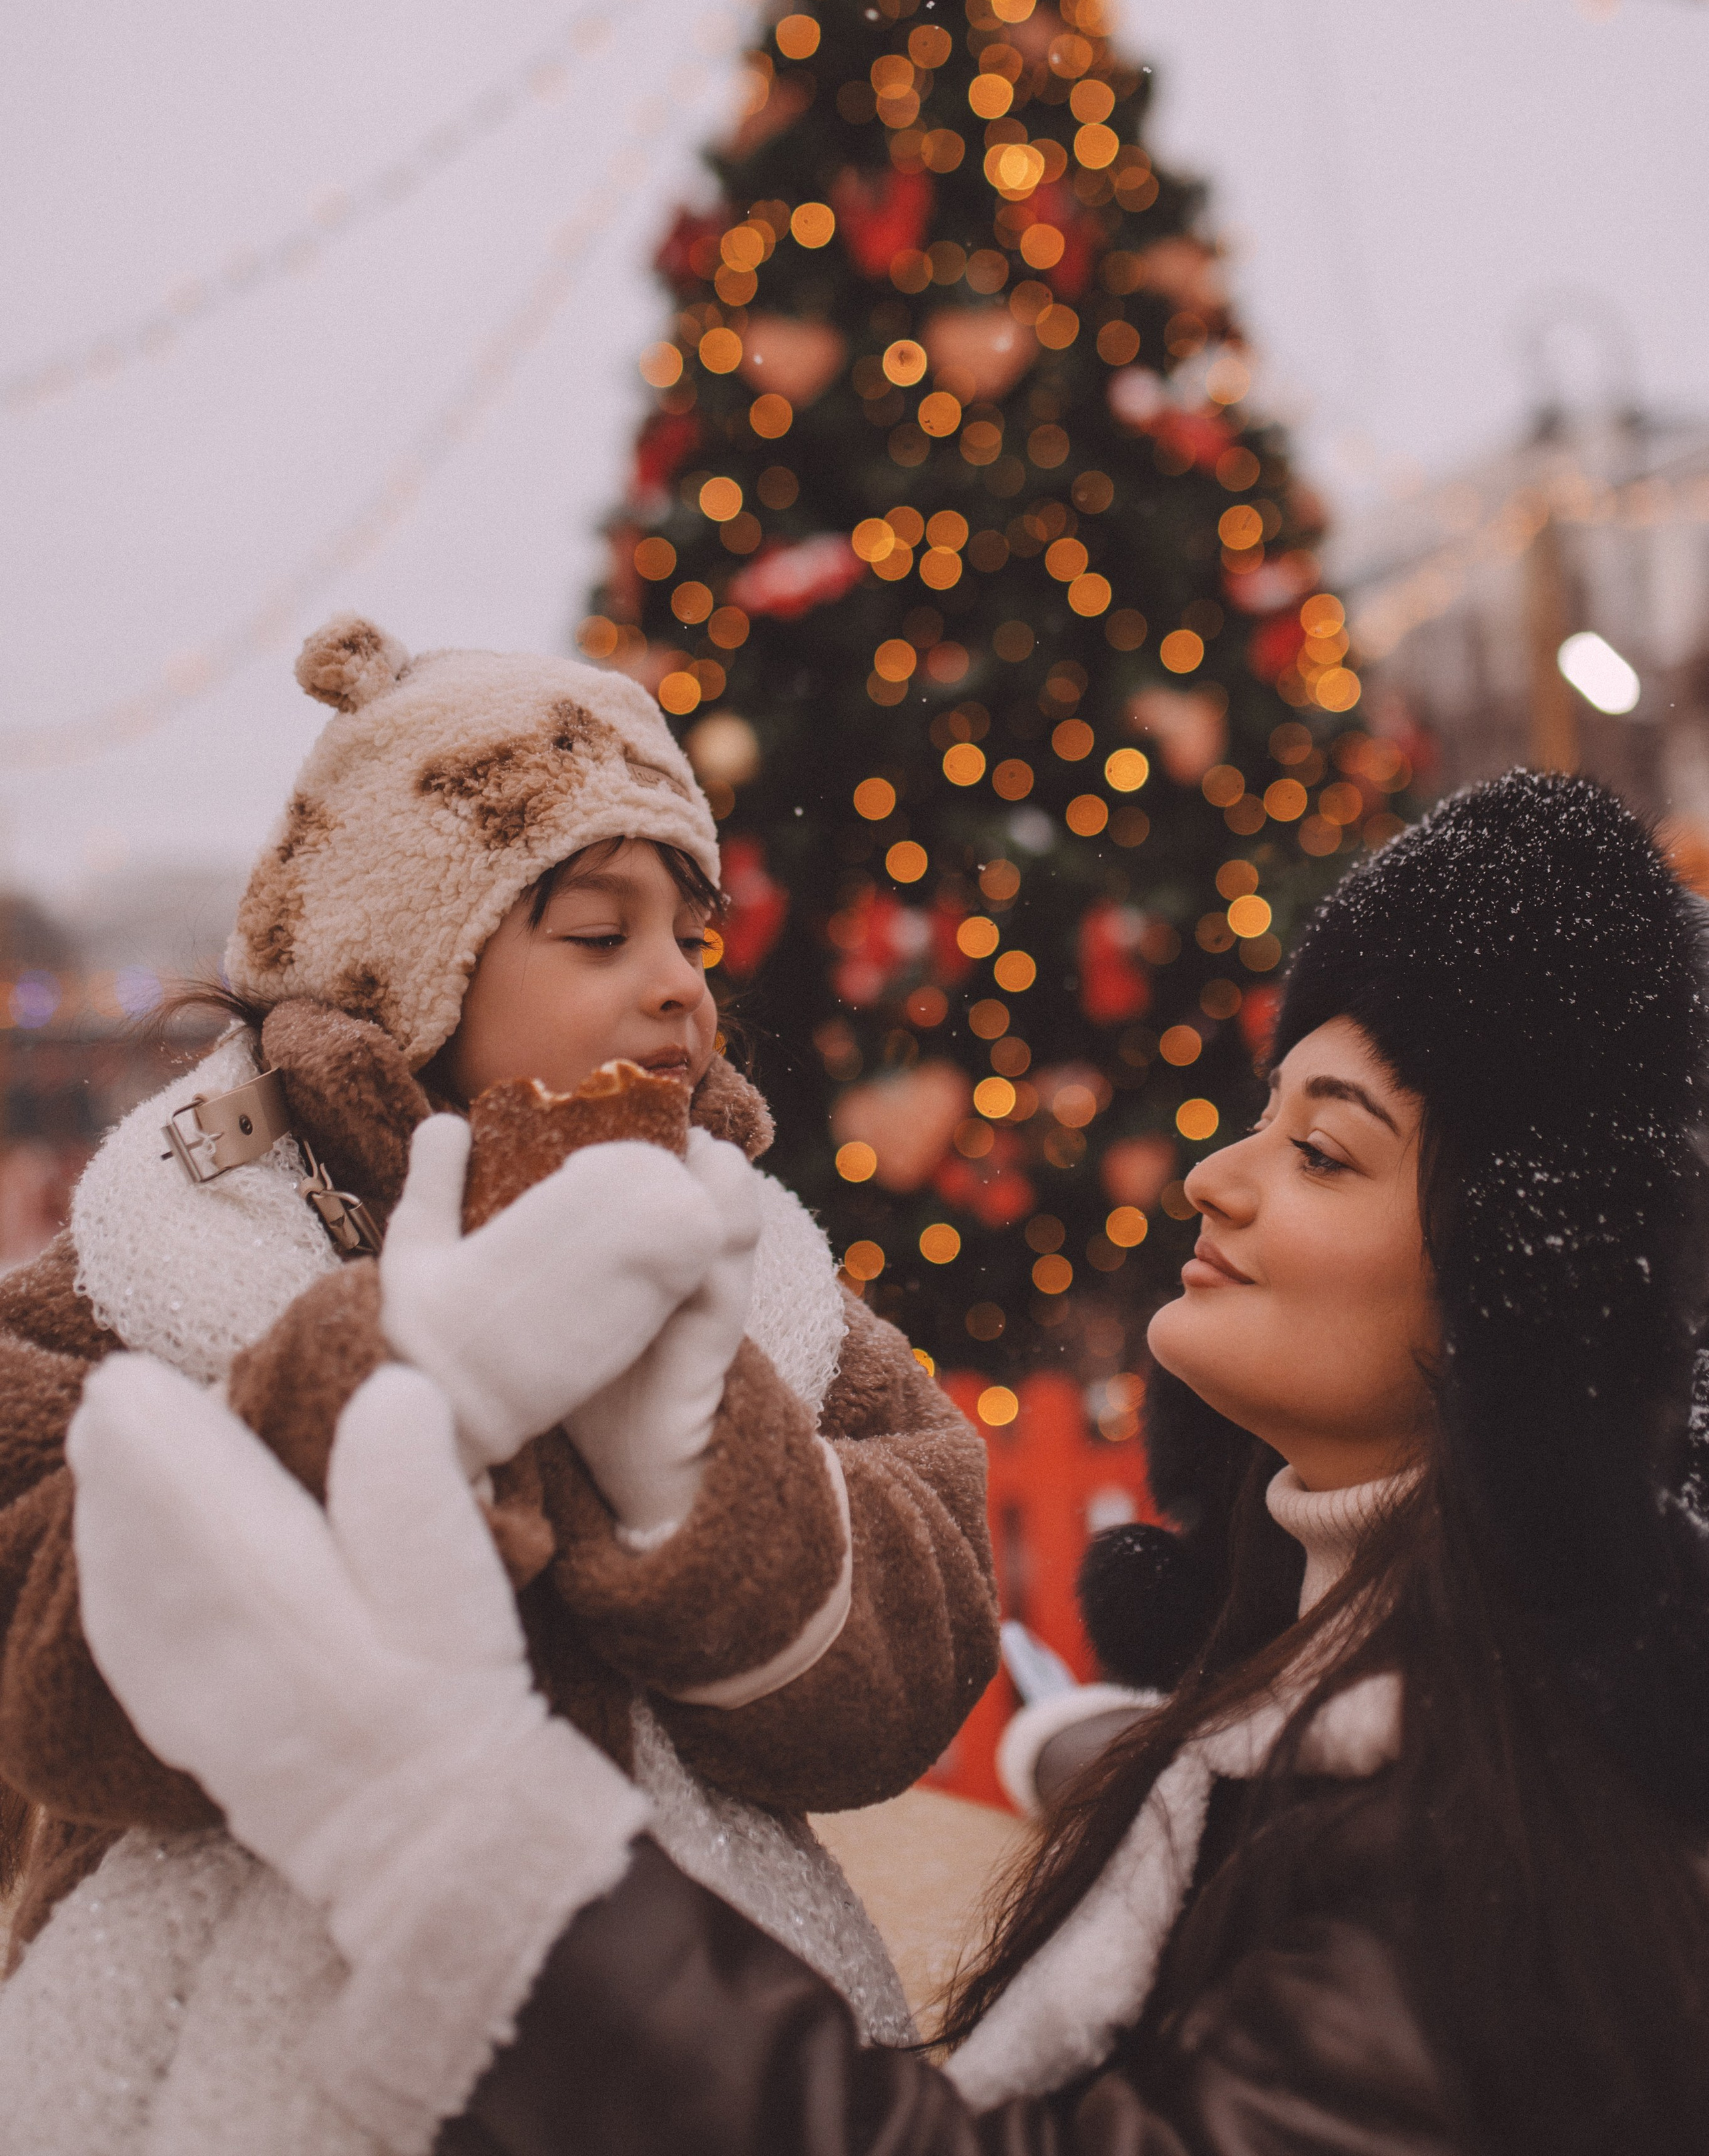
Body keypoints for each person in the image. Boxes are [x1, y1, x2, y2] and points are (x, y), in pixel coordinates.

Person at [63, 767, 1709, 2155]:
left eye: (1324, 1149)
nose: (1216, 1174)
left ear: (1525, 1280)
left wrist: (437, 1824)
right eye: (1262, 1113)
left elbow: (902, 1654)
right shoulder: (1388, 1712)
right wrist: (1176, 1788)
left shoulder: (1495, 1853)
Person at [0, 616, 997, 2153]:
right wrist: (388, 1379)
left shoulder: (759, 1267)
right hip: (239, 2062)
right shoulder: (174, 1246)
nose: (677, 988)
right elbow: (38, 1669)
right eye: (598, 935)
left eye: (691, 940)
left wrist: (701, 1480)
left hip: (681, 2044)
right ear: (405, 962)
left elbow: (915, 1663)